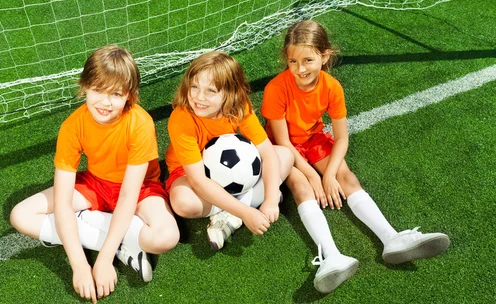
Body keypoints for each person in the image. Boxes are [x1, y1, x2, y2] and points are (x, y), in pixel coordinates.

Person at [262, 20, 450, 290]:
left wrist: (328, 174)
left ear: (325, 56)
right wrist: (313, 177)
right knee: (303, 187)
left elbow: (341, 138)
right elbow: (282, 142)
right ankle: (331, 257)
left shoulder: (332, 87)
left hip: (314, 139)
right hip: (284, 149)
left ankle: (391, 238)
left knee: (346, 177)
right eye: (293, 61)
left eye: (308, 60)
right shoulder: (276, 89)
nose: (300, 69)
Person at [10, 45, 179, 304]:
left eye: (116, 94)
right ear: (84, 86)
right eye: (97, 90)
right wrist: (79, 265)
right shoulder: (72, 126)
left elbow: (127, 196)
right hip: (95, 184)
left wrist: (103, 260)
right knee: (20, 215)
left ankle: (100, 236)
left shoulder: (140, 124)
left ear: (130, 96)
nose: (105, 102)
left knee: (167, 237)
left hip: (141, 189)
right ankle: (127, 244)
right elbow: (64, 201)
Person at [165, 51, 293, 252]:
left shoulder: (239, 106)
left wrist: (270, 200)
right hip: (190, 173)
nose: (199, 97)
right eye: (195, 87)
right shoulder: (181, 119)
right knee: (182, 203)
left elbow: (267, 153)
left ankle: (228, 216)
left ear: (230, 93)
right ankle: (247, 204)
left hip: (236, 170)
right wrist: (246, 212)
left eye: (211, 91)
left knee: (285, 155)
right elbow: (198, 181)